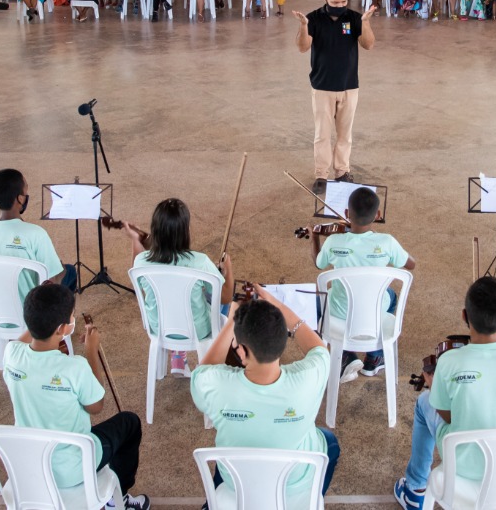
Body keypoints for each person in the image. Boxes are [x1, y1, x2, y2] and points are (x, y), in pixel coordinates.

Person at [394, 277, 496, 510]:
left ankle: (415, 488)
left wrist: (435, 386)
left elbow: (448, 417)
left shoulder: (449, 361)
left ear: (465, 316)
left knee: (425, 401)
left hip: (462, 466)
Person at [2, 284, 149, 509]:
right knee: (129, 423)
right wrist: (91, 350)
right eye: (71, 317)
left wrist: (40, 310)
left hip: (29, 465)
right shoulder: (75, 367)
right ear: (62, 328)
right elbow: (96, 405)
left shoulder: (11, 354)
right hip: (72, 469)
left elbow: (30, 334)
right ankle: (118, 497)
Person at [191, 286, 338, 498]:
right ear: (283, 341)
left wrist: (233, 319)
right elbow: (319, 350)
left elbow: (203, 370)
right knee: (330, 441)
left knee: (226, 453)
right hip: (293, 481)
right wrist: (278, 306)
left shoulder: (216, 385)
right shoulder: (309, 377)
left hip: (237, 483)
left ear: (241, 350)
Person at [308, 187, 415, 382]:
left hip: (339, 312)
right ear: (378, 215)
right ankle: (375, 358)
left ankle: (346, 355)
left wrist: (314, 237)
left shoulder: (333, 241)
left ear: (347, 214)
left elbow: (318, 263)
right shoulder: (387, 242)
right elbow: (411, 264)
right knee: (391, 296)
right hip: (374, 311)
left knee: (315, 302)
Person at [123, 198, 232, 375]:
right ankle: (208, 360)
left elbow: (138, 272)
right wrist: (228, 269)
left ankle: (178, 356)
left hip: (159, 327)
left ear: (154, 230)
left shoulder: (141, 261)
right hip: (197, 331)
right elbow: (227, 296)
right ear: (186, 231)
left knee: (173, 297)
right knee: (219, 298)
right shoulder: (200, 262)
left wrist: (136, 240)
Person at [294, 0, 375, 191]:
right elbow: (303, 47)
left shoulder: (354, 18)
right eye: (335, 2)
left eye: (343, 2)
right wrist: (303, 26)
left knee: (344, 134)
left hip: (349, 86)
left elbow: (368, 44)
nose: (340, 6)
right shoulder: (313, 19)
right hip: (322, 86)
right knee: (322, 134)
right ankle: (321, 174)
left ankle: (342, 172)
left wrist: (365, 23)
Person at [0, 168, 77, 298]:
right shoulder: (36, 234)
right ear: (20, 199)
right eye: (26, 189)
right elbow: (52, 280)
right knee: (69, 271)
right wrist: (61, 268)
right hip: (31, 312)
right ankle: (64, 317)